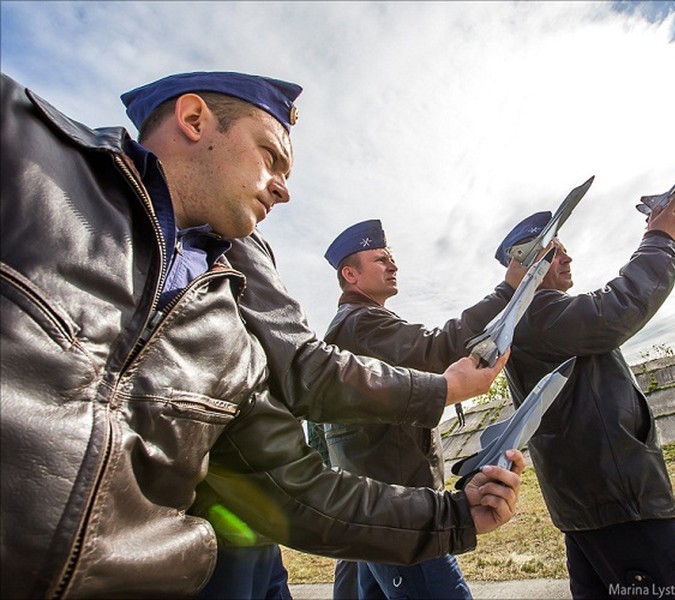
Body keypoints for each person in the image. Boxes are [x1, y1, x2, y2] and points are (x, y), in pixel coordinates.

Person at [0, 71, 522, 599]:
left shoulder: (232, 342)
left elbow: (293, 488)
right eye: (270, 156)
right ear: (195, 119)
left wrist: (458, 514)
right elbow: (313, 371)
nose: (284, 188)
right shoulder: (25, 149)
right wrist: (446, 385)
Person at [494, 202, 675, 599]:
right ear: (527, 264)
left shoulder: (533, 315)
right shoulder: (538, 313)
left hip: (591, 500)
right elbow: (614, 310)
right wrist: (659, 239)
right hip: (615, 498)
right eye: (554, 250)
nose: (567, 257)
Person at [320, 219, 527, 599]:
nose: (393, 265)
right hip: (403, 513)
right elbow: (438, 349)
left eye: (392, 258)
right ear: (351, 274)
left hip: (372, 507)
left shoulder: (350, 328)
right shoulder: (362, 325)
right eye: (380, 259)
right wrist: (509, 288)